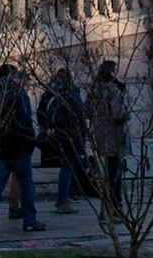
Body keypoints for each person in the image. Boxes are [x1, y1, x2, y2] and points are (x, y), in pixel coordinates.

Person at [0, 65, 43, 232]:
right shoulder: (19, 95)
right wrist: (31, 142)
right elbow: (25, 121)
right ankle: (29, 220)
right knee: (27, 184)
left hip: (0, 144)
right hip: (18, 145)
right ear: (17, 79)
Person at [39, 66, 86, 213]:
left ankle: (67, 196)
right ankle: (64, 199)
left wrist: (47, 128)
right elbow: (78, 113)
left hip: (56, 133)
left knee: (68, 165)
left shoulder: (50, 91)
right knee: (69, 165)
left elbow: (42, 111)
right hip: (70, 133)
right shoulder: (70, 92)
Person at [87, 59, 128, 215]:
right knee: (114, 172)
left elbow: (88, 110)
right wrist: (126, 114)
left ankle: (111, 204)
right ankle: (114, 204)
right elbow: (117, 114)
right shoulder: (113, 91)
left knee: (109, 171)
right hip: (114, 135)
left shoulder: (95, 90)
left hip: (100, 134)